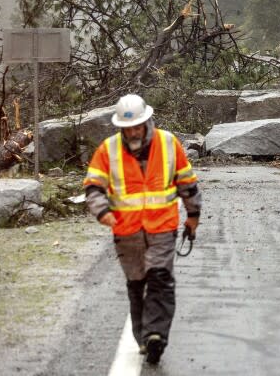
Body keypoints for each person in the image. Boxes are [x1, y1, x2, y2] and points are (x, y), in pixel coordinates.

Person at [83, 94, 201, 365]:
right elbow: (93, 187)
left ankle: (156, 335)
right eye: (128, 128)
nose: (133, 132)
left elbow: (187, 183)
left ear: (147, 121)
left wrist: (193, 215)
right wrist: (102, 211)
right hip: (127, 233)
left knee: (160, 280)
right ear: (120, 128)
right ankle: (143, 338)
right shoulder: (108, 150)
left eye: (137, 126)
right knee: (137, 285)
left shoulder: (169, 143)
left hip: (162, 228)